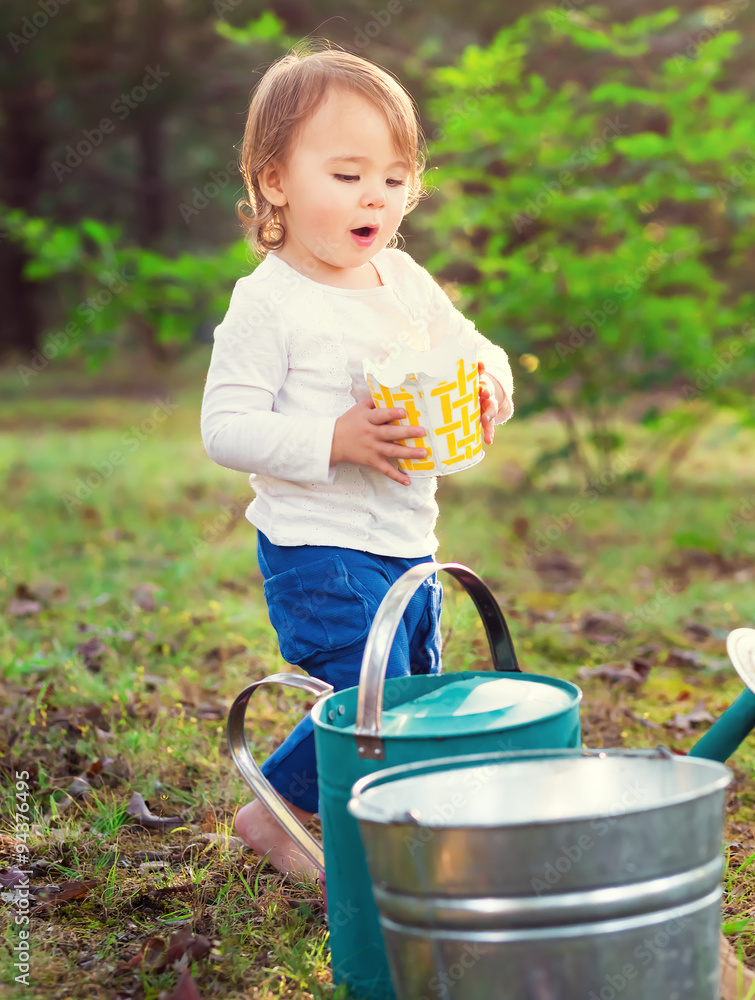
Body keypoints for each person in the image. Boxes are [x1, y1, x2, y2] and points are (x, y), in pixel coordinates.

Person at [200, 42, 515, 882]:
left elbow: (476, 349)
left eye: (395, 175)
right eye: (346, 175)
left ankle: (349, 817)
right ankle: (287, 818)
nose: (375, 194)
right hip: (317, 543)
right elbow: (224, 427)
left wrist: (488, 384)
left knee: (409, 696)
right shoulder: (269, 300)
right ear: (275, 182)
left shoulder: (402, 280)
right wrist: (333, 439)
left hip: (409, 536)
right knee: (361, 700)